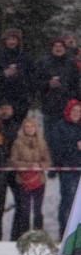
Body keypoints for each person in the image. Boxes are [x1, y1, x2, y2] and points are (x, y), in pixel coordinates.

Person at [37, 37, 80, 155]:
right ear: (51, 48)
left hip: (67, 108)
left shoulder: (71, 63)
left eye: (61, 46)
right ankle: (52, 166)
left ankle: (66, 165)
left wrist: (76, 101)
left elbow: (76, 84)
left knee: (68, 139)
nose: (58, 49)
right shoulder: (43, 63)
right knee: (50, 139)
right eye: (56, 46)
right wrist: (48, 84)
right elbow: (35, 82)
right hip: (49, 107)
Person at [9, 117, 51, 240]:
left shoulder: (42, 143)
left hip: (39, 180)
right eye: (27, 127)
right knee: (25, 209)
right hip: (24, 180)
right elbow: (14, 161)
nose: (29, 129)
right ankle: (24, 236)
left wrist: (40, 166)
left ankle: (39, 236)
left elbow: (47, 161)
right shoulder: (17, 143)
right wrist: (28, 166)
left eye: (32, 126)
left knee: (38, 209)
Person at [0, 28, 35, 125]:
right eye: (8, 39)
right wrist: (4, 74)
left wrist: (29, 96)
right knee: (5, 130)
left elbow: (32, 78)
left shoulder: (26, 58)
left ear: (18, 41)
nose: (11, 42)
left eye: (14, 39)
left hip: (22, 100)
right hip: (4, 99)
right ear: (4, 41)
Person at [51, 99, 81, 238]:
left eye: (79, 111)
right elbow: (57, 149)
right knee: (68, 202)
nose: (76, 113)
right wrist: (75, 146)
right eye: (74, 110)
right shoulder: (60, 127)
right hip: (69, 170)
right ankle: (65, 232)